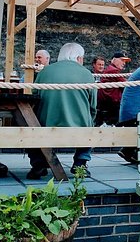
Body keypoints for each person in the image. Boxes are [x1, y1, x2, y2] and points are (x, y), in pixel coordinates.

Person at [26, 43, 96, 179]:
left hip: (45, 126)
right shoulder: (87, 74)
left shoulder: (45, 72)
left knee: (30, 124)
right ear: (79, 58)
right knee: (90, 126)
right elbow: (93, 106)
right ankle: (80, 163)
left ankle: (38, 163)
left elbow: (34, 99)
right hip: (79, 128)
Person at [96, 52, 131, 126]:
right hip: (111, 106)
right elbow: (128, 85)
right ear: (114, 60)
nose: (124, 63)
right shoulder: (113, 71)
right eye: (122, 60)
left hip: (108, 105)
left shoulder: (111, 70)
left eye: (124, 61)